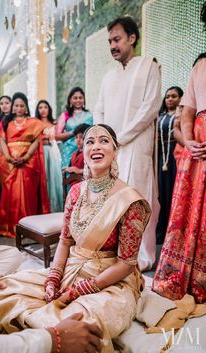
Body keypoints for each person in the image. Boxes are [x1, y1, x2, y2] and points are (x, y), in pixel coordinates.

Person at [0, 124, 151, 353]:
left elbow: (126, 264)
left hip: (110, 279)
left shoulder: (130, 200)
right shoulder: (76, 191)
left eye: (104, 141)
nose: (96, 146)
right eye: (90, 141)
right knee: (4, 289)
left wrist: (82, 290)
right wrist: (53, 276)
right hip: (72, 268)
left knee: (82, 325)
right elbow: (65, 240)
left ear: (115, 150)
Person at [93, 16, 162, 271]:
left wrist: (119, 137)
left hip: (136, 146)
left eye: (117, 39)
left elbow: (150, 107)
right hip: (113, 148)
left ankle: (142, 257)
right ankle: (116, 253)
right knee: (113, 201)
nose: (112, 45)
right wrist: (103, 139)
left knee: (139, 200)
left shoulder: (149, 66)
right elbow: (98, 110)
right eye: (110, 40)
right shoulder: (108, 77)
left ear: (132, 39)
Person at [152, 14, 206, 304]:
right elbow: (188, 111)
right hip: (197, 150)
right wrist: (191, 140)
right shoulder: (200, 65)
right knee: (191, 211)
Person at [0, 92, 50, 238]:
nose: (19, 108)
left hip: (28, 164)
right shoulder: (5, 122)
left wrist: (25, 157)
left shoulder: (33, 123)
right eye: (16, 105)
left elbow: (37, 141)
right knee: (10, 196)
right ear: (12, 107)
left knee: (28, 195)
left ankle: (28, 228)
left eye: (22, 106)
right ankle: (9, 228)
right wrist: (7, 156)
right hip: (9, 164)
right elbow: (2, 140)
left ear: (26, 108)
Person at [156, 86, 183, 244]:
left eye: (174, 96)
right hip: (162, 159)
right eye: (167, 96)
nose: (170, 99)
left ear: (180, 99)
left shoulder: (181, 115)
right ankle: (161, 233)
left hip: (175, 156)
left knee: (175, 192)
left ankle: (175, 235)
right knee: (162, 195)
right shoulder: (159, 117)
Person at [35, 100, 63, 212]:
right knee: (43, 177)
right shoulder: (35, 123)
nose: (43, 110)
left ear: (49, 109)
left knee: (54, 177)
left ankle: (54, 208)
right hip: (40, 152)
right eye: (40, 107)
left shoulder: (54, 123)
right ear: (37, 110)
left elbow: (57, 137)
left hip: (52, 151)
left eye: (45, 107)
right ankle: (43, 208)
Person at [56, 87, 93, 168]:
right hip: (69, 151)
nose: (78, 100)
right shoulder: (65, 115)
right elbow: (57, 136)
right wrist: (74, 132)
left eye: (80, 98)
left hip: (86, 150)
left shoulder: (90, 115)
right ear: (70, 100)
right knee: (70, 177)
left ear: (84, 99)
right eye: (75, 98)